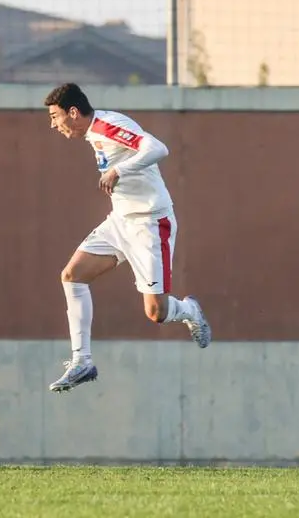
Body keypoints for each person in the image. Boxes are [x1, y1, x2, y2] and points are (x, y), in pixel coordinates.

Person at [43, 83, 210, 393]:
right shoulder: (94, 132)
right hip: (121, 220)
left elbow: (158, 148)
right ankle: (82, 361)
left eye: (55, 117)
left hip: (150, 222)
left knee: (156, 313)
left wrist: (119, 171)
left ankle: (189, 311)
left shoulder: (107, 125)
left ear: (73, 112)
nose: (54, 125)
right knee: (72, 275)